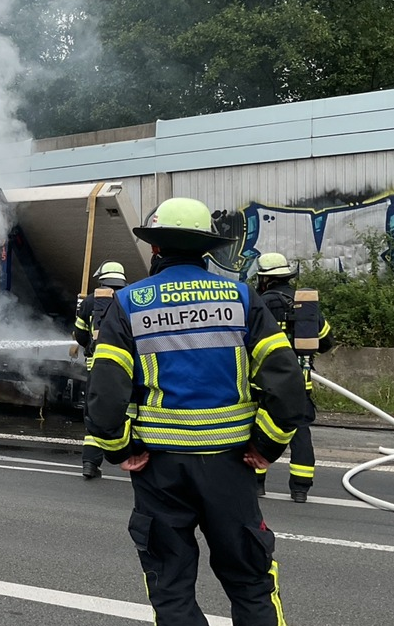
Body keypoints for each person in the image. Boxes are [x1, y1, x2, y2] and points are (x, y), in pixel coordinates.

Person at [85, 197, 307, 626]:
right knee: (251, 584)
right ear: (206, 248)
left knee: (171, 590)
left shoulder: (129, 303)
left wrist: (119, 449)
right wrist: (267, 446)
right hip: (231, 464)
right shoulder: (242, 298)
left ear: (155, 249)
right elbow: (286, 384)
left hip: (159, 470)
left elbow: (105, 393)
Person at [253, 252, 334, 503]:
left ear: (264, 279)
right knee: (300, 432)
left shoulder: (258, 303)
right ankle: (300, 488)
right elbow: (325, 342)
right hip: (300, 384)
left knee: (258, 431)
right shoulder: (305, 307)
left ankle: (257, 484)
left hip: (263, 385)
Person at [72, 260, 128, 480]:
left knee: (96, 414)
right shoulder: (129, 299)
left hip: (96, 368)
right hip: (125, 369)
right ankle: (135, 460)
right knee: (130, 412)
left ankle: (90, 464)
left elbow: (81, 336)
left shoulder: (89, 302)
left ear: (102, 279)